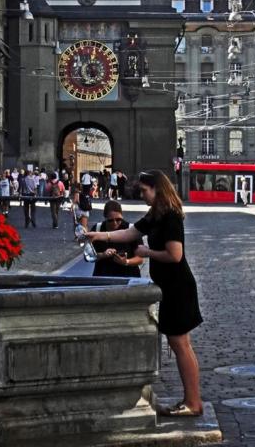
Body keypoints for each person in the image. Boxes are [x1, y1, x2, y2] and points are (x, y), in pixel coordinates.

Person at [85, 169, 203, 417]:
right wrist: (101, 235)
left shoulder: (170, 217)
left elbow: (175, 255)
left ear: (157, 189)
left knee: (180, 344)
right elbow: (131, 232)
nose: (141, 195)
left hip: (178, 287)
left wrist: (147, 252)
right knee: (181, 344)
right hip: (170, 287)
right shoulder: (156, 215)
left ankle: (193, 402)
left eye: (144, 190)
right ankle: (191, 400)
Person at [90, 200, 142, 279]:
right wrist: (103, 255)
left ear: (122, 216)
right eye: (110, 220)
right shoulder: (97, 228)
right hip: (103, 276)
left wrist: (126, 262)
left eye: (118, 219)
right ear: (105, 217)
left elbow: (140, 259)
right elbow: (89, 256)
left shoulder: (130, 229)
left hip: (128, 276)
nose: (115, 223)